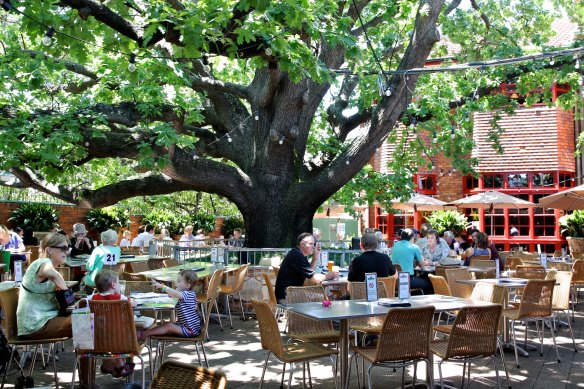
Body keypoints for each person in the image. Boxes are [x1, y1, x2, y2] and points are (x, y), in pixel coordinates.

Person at [17, 233, 71, 340]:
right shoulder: (43, 262)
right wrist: (60, 280)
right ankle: (90, 356)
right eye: (63, 248)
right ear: (49, 250)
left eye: (67, 248)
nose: (66, 251)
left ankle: (88, 356)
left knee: (86, 320)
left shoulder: (45, 264)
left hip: (44, 320)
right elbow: (49, 271)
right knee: (85, 323)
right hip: (35, 325)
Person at [87, 270, 136, 378]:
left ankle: (119, 366)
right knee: (120, 333)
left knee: (109, 334)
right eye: (118, 283)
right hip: (120, 341)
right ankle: (122, 365)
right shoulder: (120, 298)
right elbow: (133, 303)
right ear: (113, 285)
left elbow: (80, 303)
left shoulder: (91, 298)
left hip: (96, 340)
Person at [275, 233, 338, 303]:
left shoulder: (296, 253)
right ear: (302, 244)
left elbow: (310, 272)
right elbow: (315, 278)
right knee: (326, 298)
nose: (313, 247)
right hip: (287, 298)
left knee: (323, 297)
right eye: (311, 244)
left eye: (314, 244)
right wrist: (329, 276)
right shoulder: (297, 256)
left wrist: (316, 256)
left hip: (290, 294)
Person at [140, 270, 202, 340]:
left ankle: (143, 334)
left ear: (187, 285)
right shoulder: (190, 294)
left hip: (190, 330)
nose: (176, 283)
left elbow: (177, 294)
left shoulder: (187, 294)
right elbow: (174, 295)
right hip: (186, 326)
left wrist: (163, 287)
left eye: (179, 281)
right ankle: (146, 332)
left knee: (168, 325)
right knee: (166, 325)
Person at [390, 228, 433, 295]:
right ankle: (426, 303)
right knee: (428, 283)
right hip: (407, 280)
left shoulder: (396, 245)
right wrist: (425, 262)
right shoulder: (414, 247)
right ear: (412, 238)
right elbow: (422, 266)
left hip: (395, 281)